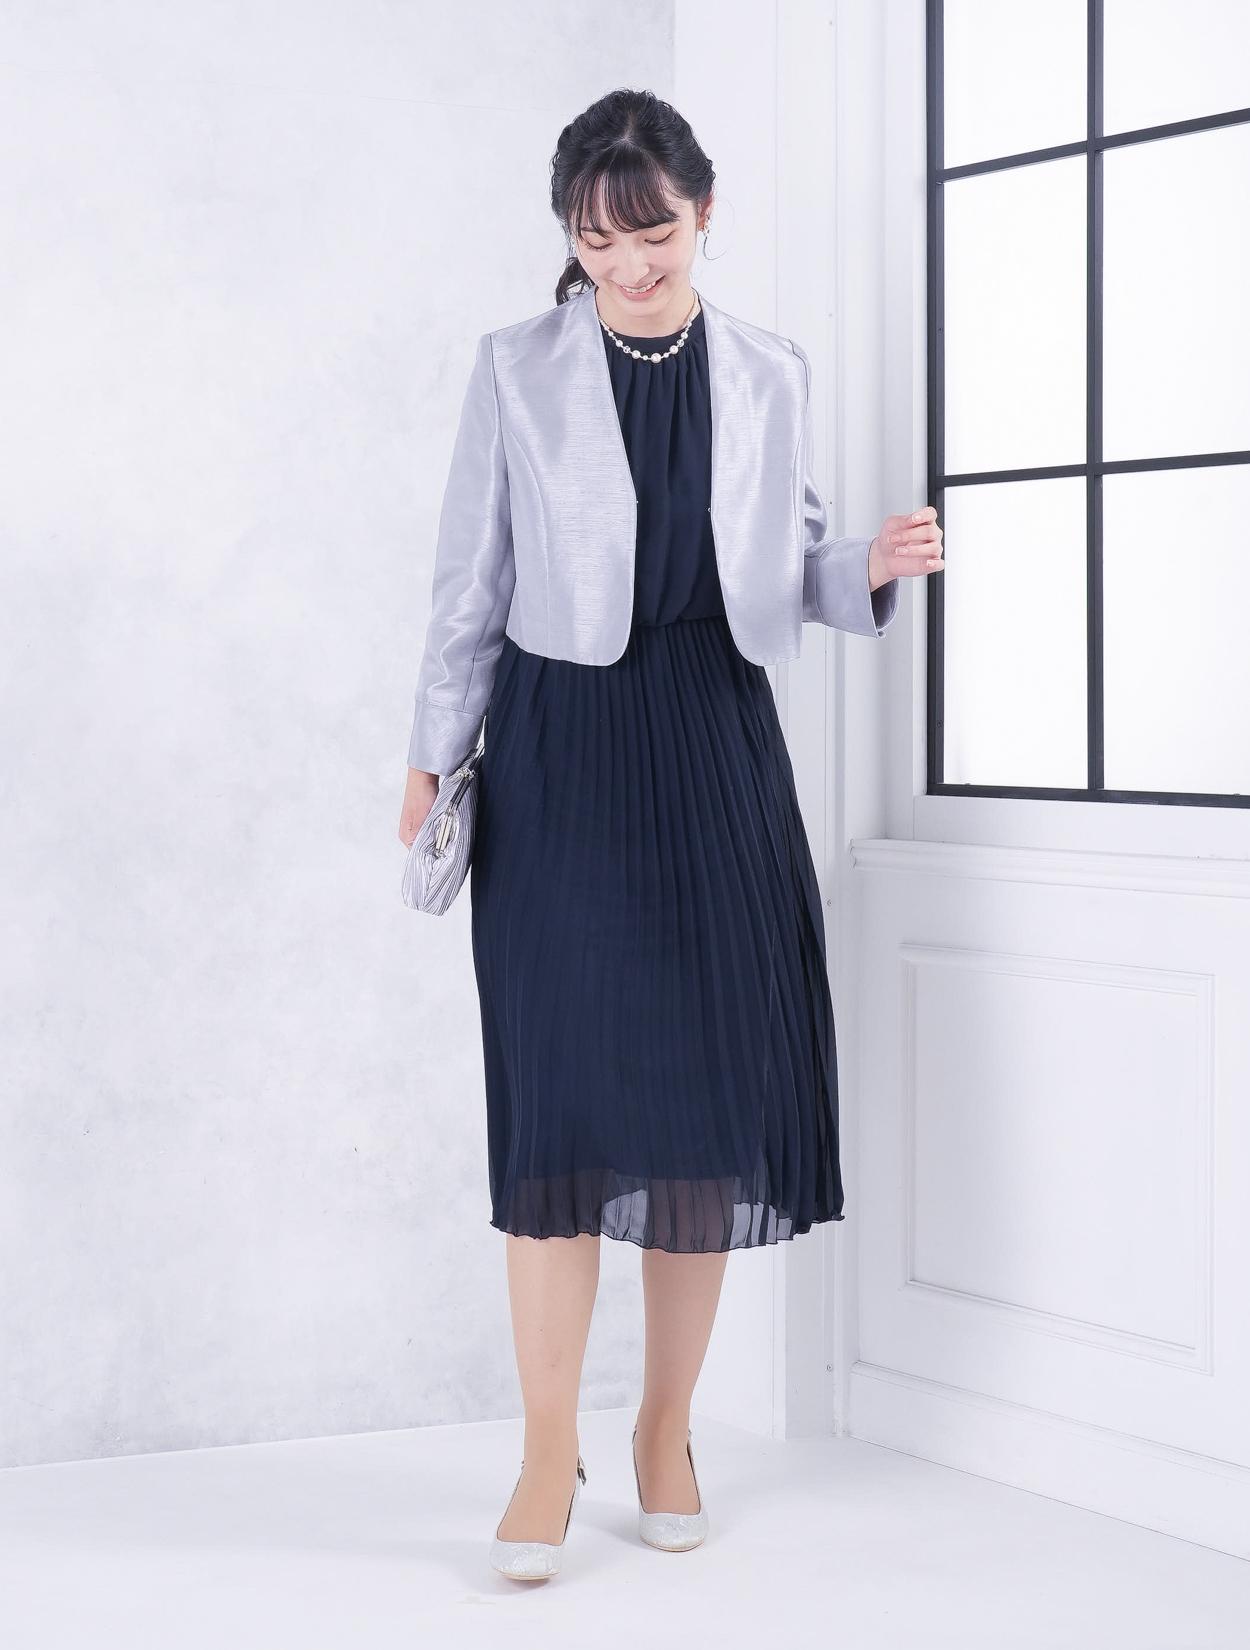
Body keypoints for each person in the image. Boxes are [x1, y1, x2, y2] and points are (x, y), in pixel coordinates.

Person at [397, 89, 943, 1579]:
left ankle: (664, 1432)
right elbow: (468, 577)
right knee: (558, 1114)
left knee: (702, 1113)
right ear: (570, 238)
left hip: (713, 740)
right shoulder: (515, 367)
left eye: (652, 233)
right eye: (598, 239)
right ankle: (543, 1449)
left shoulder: (768, 367)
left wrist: (870, 567)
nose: (628, 264)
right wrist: (433, 755)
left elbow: (789, 567)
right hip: (559, 746)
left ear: (705, 214)